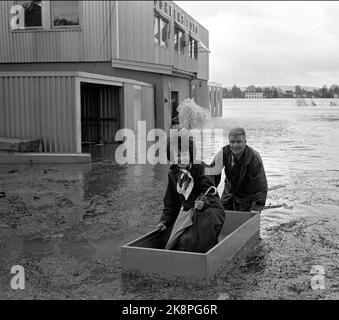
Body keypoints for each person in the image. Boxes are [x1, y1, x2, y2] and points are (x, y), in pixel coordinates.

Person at [156, 130, 225, 253]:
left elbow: (210, 193)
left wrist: (201, 200)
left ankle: (210, 245)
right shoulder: (173, 174)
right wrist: (164, 222)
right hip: (190, 213)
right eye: (176, 155)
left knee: (188, 243)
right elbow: (171, 204)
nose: (181, 159)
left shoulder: (203, 168)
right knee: (174, 243)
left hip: (210, 212)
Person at [208, 127, 268, 213]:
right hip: (228, 195)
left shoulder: (254, 157)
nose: (235, 145)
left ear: (245, 142)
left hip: (247, 199)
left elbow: (261, 185)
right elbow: (211, 176)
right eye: (232, 142)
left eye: (239, 142)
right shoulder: (223, 153)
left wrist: (258, 206)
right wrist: (207, 197)